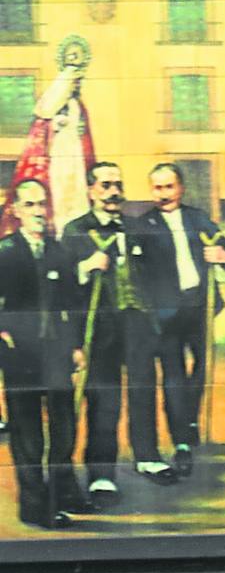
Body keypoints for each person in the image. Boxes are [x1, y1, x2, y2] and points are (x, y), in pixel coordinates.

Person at [62, 161, 178, 505]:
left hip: (139, 324)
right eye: (106, 185)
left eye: (117, 184)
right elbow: (65, 282)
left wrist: (159, 315)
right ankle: (101, 475)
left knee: (144, 390)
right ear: (91, 191)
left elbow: (162, 275)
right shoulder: (75, 231)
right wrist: (87, 266)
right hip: (100, 328)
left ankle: (147, 457)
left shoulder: (137, 227)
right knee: (104, 400)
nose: (113, 191)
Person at [133, 163, 225, 477]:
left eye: (169, 187)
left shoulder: (198, 219)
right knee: (174, 376)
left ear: (180, 188)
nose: (164, 194)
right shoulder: (144, 225)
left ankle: (189, 418)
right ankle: (182, 442)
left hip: (199, 306)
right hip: (167, 316)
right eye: (157, 188)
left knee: (202, 368)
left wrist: (223, 256)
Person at [0, 180, 88, 528]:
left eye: (42, 205)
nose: (38, 212)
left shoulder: (58, 252)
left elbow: (73, 303)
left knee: (65, 428)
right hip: (18, 355)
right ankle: (35, 506)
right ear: (16, 211)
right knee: (28, 434)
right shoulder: (5, 252)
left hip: (56, 353)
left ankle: (63, 493)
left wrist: (77, 346)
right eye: (30, 205)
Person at [3, 35, 96, 238]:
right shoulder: (52, 104)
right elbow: (44, 116)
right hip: (56, 163)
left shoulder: (78, 106)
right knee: (57, 203)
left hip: (76, 164)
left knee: (77, 205)